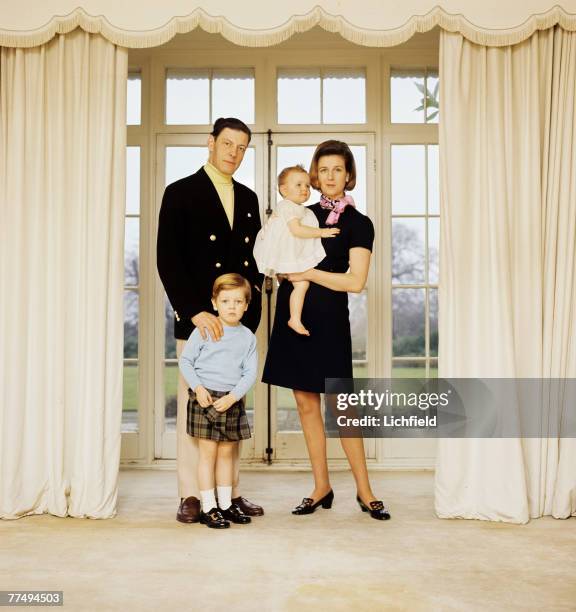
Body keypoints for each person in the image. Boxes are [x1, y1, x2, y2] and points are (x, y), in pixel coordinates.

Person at [262, 140, 391, 521]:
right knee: (305, 404)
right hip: (294, 317)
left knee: (344, 409)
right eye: (323, 170)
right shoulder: (299, 213)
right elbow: (277, 253)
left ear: (349, 175)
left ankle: (365, 491)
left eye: (338, 169)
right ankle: (321, 487)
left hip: (331, 322)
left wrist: (309, 273)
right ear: (314, 175)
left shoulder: (359, 223)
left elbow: (355, 282)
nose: (329, 176)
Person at [157, 117, 264, 524]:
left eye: (241, 148)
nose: (234, 154)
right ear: (211, 142)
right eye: (228, 144)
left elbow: (253, 265)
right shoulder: (181, 192)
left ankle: (229, 493)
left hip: (237, 324)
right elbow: (168, 258)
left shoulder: (250, 198)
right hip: (199, 322)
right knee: (197, 410)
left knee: (232, 408)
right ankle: (191, 495)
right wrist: (193, 310)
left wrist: (248, 318)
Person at [179, 274, 257, 529]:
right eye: (225, 301)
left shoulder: (248, 338)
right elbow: (186, 361)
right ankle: (209, 508)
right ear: (215, 303)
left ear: (246, 305)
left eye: (238, 301)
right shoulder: (203, 331)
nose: (232, 306)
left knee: (226, 454)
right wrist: (198, 388)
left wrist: (234, 397)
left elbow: (249, 373)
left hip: (230, 401)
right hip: (206, 399)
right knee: (207, 455)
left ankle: (225, 505)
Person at [253, 165, 339, 335]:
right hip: (285, 253)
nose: (304, 189)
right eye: (298, 185)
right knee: (302, 284)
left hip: (289, 251)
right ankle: (294, 318)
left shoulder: (302, 210)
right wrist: (322, 232)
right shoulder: (287, 206)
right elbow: (297, 230)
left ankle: (294, 318)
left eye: (307, 186)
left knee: (302, 284)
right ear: (283, 190)